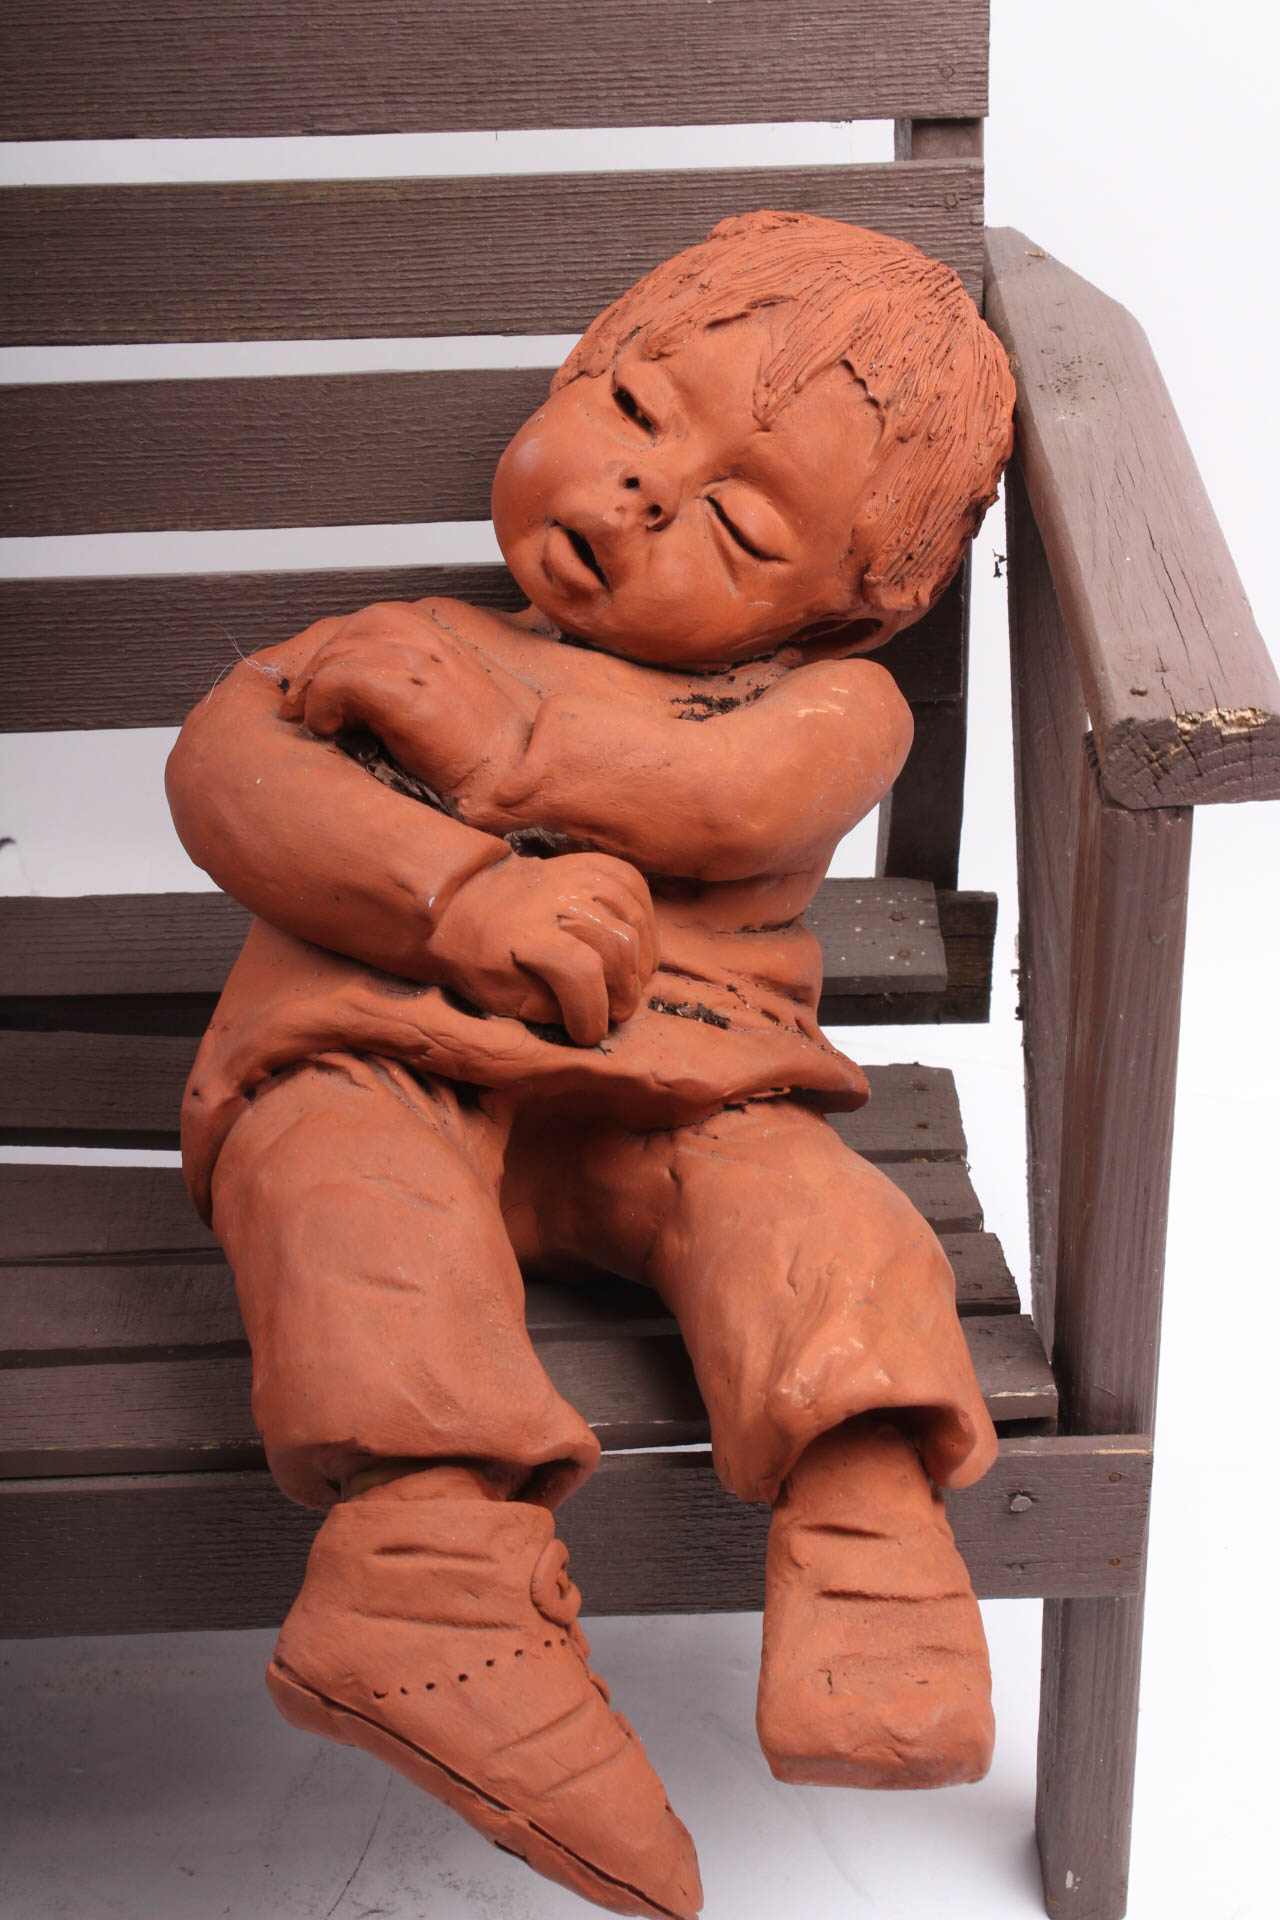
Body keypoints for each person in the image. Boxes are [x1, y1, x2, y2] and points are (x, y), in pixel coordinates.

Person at [166, 209, 1015, 1920]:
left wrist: (501, 747)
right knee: (342, 1192)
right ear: (575, 374)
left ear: (847, 602)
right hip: (373, 1056)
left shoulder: (829, 704)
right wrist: (458, 893)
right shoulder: (404, 636)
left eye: (739, 520)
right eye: (635, 415)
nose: (639, 499)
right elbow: (227, 772)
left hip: (691, 1090)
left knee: (822, 1226)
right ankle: (424, 1589)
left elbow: (733, 808)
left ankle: (869, 1542)